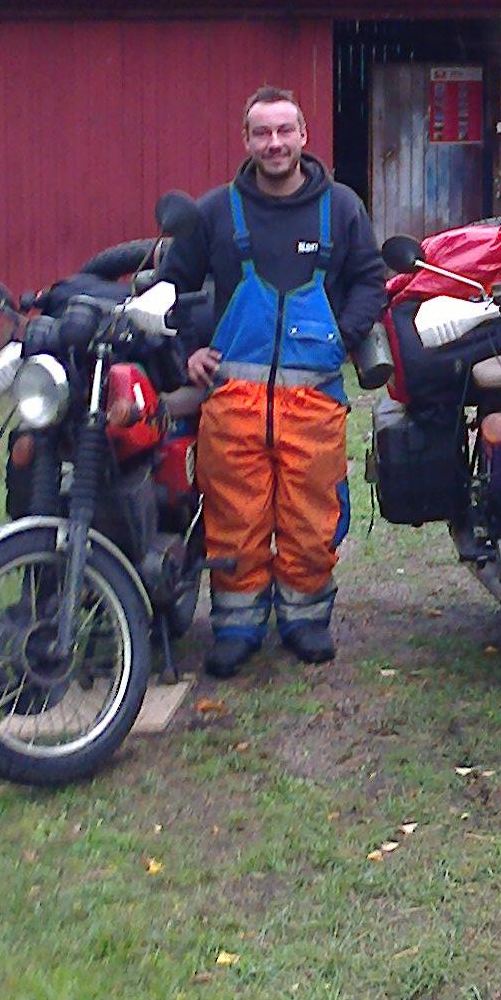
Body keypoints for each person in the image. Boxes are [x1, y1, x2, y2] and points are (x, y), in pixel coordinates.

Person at [163, 87, 387, 677]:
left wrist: (343, 334)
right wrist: (187, 352)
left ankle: (305, 621)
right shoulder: (215, 211)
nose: (275, 143)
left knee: (311, 518)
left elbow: (371, 280)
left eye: (285, 130)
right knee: (233, 517)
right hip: (231, 402)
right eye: (262, 133)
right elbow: (170, 289)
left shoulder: (341, 207)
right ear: (246, 140)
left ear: (304, 136)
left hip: (313, 401)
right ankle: (236, 629)